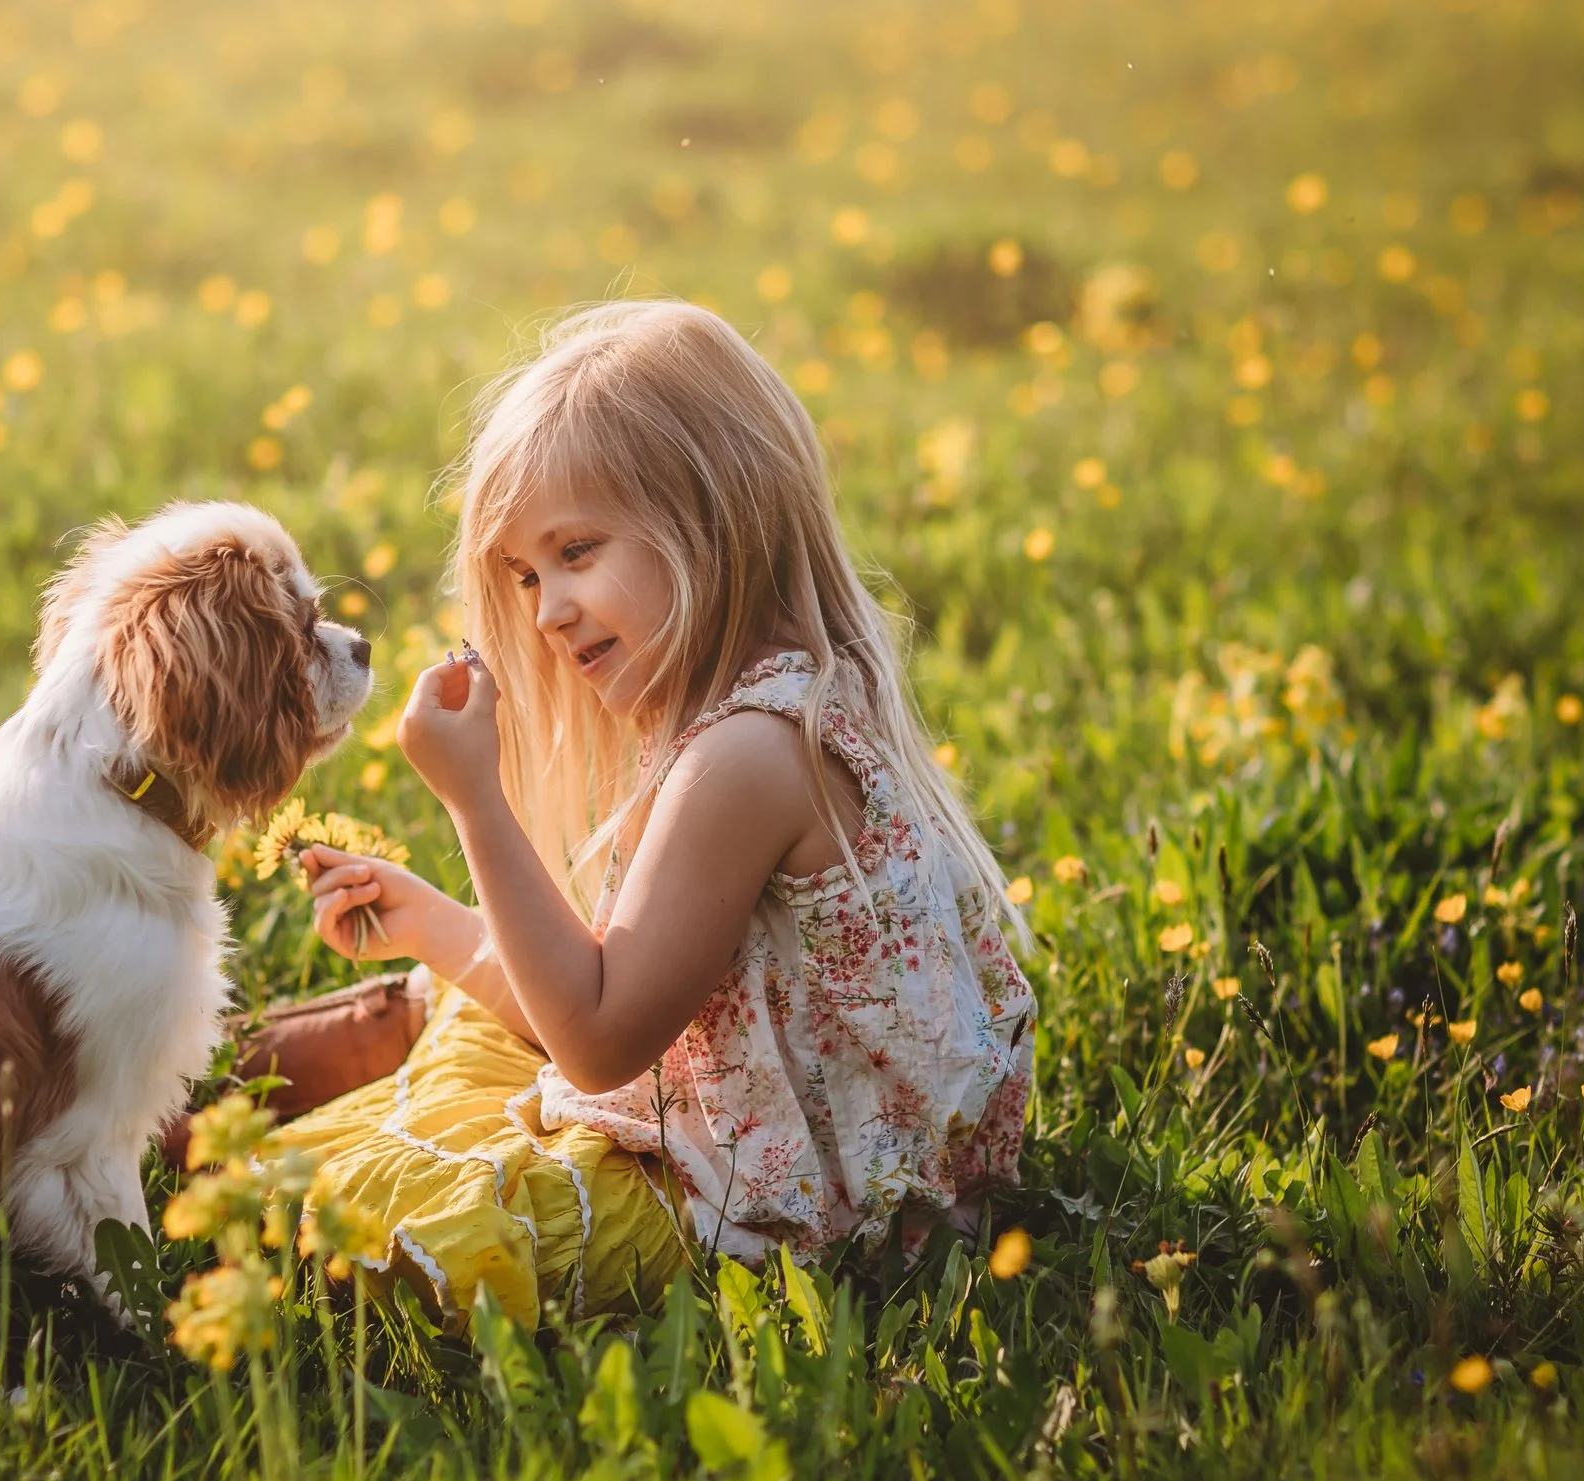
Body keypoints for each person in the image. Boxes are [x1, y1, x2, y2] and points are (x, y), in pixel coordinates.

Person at [265, 299, 1035, 1326]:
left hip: (758, 1220)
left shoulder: (747, 757)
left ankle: (152, 1161)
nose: (545, 610)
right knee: (446, 1003)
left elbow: (594, 1040)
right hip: (720, 1137)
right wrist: (432, 924)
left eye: (575, 552)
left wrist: (473, 797)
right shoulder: (766, 713)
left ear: (716, 517)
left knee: (344, 1204)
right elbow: (618, 1003)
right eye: (528, 575)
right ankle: (161, 1108)